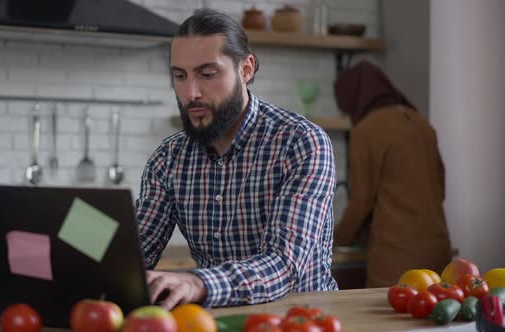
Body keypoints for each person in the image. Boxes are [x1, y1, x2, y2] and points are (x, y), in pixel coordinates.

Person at [135, 8, 338, 310]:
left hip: (301, 320)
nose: (190, 93)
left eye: (207, 74)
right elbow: (135, 249)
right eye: (180, 76)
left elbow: (285, 266)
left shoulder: (302, 143)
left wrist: (196, 283)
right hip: (212, 322)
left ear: (246, 70)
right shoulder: (168, 159)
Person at [332, 61, 452, 288]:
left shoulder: (366, 130)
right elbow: (441, 187)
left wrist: (336, 238)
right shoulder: (421, 123)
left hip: (396, 259)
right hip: (439, 253)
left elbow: (361, 202)